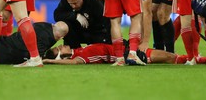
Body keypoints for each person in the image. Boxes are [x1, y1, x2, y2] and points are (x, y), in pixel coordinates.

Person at [43, 43, 188, 65]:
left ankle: (193, 59)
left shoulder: (78, 50)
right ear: (61, 56)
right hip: (125, 55)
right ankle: (198, 60)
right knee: (170, 57)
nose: (61, 46)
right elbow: (73, 63)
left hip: (124, 48)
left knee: (169, 56)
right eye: (59, 49)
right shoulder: (78, 58)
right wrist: (49, 61)